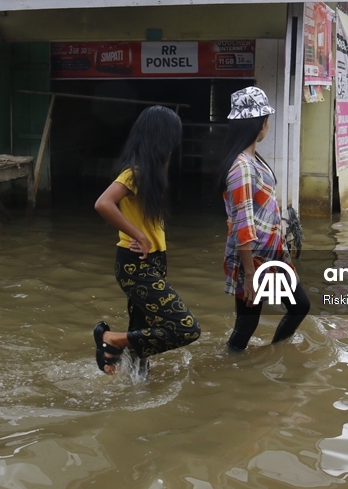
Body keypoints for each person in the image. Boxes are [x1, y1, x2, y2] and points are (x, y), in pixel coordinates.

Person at [93, 106, 201, 374]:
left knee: (143, 331)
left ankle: (130, 382)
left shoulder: (153, 174)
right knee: (186, 327)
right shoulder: (134, 172)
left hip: (153, 261)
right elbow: (103, 203)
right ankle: (111, 339)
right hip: (135, 263)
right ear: (161, 139)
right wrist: (138, 235)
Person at [217, 87, 310, 351]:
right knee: (247, 325)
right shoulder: (242, 168)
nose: (267, 124)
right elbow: (243, 224)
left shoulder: (251, 158)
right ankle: (230, 367)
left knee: (298, 306)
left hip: (271, 255)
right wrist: (249, 275)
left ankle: (273, 354)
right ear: (258, 124)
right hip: (254, 260)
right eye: (265, 119)